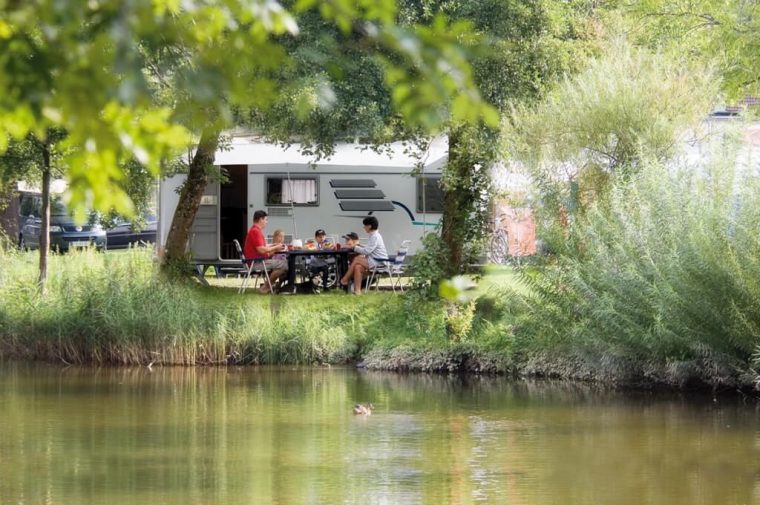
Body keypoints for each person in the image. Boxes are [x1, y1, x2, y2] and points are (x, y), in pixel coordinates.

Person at [339, 216, 387, 295]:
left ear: (369, 226)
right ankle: (357, 291)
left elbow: (367, 251)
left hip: (379, 262)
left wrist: (353, 247)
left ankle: (345, 279)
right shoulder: (374, 235)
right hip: (376, 260)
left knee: (357, 259)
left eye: (365, 225)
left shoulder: (375, 236)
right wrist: (359, 245)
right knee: (358, 267)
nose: (364, 227)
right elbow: (370, 248)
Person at [243, 210, 288, 293]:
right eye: (266, 220)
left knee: (281, 263)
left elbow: (263, 246)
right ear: (261, 219)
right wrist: (276, 247)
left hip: (255, 261)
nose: (266, 222)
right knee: (284, 264)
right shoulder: (255, 232)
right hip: (256, 263)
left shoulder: (255, 230)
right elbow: (261, 250)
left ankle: (269, 286)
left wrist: (273, 245)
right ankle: (266, 287)